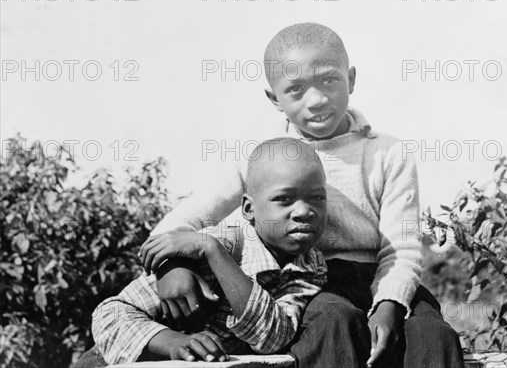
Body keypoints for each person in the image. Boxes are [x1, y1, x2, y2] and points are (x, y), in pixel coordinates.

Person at [147, 22, 465, 368]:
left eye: (329, 80)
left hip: (382, 279)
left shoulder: (388, 153)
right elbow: (178, 224)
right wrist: (172, 266)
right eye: (296, 89)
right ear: (274, 99)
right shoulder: (264, 159)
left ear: (352, 79)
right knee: (333, 323)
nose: (316, 100)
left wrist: (388, 305)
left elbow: (401, 249)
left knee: (432, 335)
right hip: (310, 283)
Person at [75, 138, 328, 367]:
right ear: (249, 209)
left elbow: (272, 338)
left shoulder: (309, 266)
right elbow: (110, 314)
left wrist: (214, 252)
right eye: (284, 199)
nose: (304, 211)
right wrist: (172, 342)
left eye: (317, 198)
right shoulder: (221, 244)